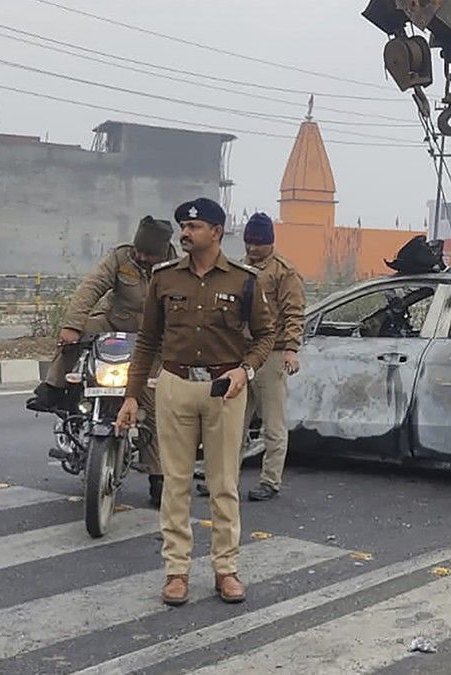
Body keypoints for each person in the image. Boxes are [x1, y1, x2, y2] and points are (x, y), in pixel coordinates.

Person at [116, 197, 274, 607]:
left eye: (195, 227)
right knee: (175, 483)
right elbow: (148, 339)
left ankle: (226, 569)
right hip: (175, 384)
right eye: (183, 227)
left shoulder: (243, 279)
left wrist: (246, 370)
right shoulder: (165, 278)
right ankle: (177, 572)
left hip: (226, 388)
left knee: (223, 485)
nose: (185, 234)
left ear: (217, 232)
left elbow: (265, 336)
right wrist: (132, 395)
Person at [27, 216, 176, 506]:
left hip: (154, 342)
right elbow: (91, 288)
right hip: (113, 324)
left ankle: (158, 477)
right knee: (76, 335)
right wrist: (70, 325)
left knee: (154, 406)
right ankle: (53, 387)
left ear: (163, 251)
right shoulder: (120, 258)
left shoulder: (176, 269)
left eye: (148, 254)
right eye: (139, 251)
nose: (141, 257)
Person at [239, 212, 304, 502]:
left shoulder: (283, 272)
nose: (252, 249)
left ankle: (270, 480)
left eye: (258, 243)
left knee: (273, 424)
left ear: (270, 242)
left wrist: (291, 349)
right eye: (248, 242)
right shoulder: (240, 268)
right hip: (242, 354)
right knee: (233, 423)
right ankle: (224, 476)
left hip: (272, 354)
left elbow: (294, 313)